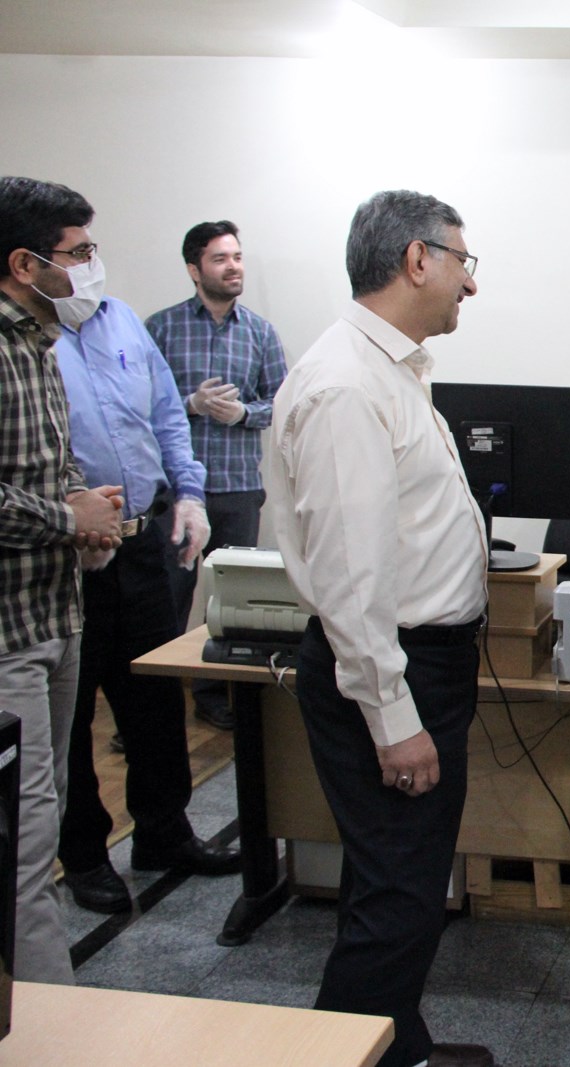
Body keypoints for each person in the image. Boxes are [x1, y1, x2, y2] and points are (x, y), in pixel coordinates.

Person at [263, 190, 494, 1067]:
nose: (471, 283)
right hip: (391, 668)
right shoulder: (346, 385)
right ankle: (346, 1052)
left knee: (392, 880)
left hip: (418, 661)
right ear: (417, 259)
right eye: (464, 262)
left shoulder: (389, 369)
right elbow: (352, 580)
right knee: (400, 895)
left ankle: (398, 1046)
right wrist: (394, 716)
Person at [53, 272, 244, 914]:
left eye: (93, 249)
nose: (89, 265)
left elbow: (166, 414)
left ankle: (164, 834)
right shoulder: (26, 340)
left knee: (155, 698)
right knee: (72, 714)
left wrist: (189, 493)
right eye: (76, 251)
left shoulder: (122, 321)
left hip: (140, 541)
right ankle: (84, 855)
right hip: (69, 554)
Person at [0, 176, 125, 982]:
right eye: (78, 253)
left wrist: (91, 516)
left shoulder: (40, 346)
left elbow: (51, 468)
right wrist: (63, 517)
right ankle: (49, 1015)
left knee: (38, 825)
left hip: (57, 614)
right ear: (24, 264)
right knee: (18, 841)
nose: (90, 266)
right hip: (8, 633)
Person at [146, 220, 287, 729]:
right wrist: (192, 403)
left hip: (237, 489)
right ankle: (154, 710)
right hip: (175, 495)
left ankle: (216, 696)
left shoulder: (260, 332)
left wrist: (243, 413)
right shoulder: (160, 328)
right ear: (194, 269)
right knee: (166, 599)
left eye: (238, 257)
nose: (233, 267)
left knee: (230, 602)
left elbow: (283, 404)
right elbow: (139, 405)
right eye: (221, 259)